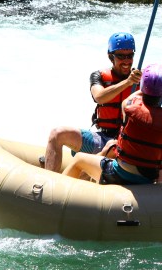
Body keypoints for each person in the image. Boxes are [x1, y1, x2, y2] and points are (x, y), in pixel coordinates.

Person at [62, 63, 162, 184]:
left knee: (79, 159)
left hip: (119, 174)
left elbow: (133, 98)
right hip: (149, 178)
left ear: (143, 86)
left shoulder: (128, 106)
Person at [43, 32, 141, 172]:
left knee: (113, 147)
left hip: (126, 144)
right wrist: (128, 82)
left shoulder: (142, 79)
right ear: (110, 57)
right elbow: (99, 96)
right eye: (120, 56)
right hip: (101, 137)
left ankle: (85, 171)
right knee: (57, 133)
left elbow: (156, 90)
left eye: (129, 55)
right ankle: (50, 182)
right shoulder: (98, 76)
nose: (126, 61)